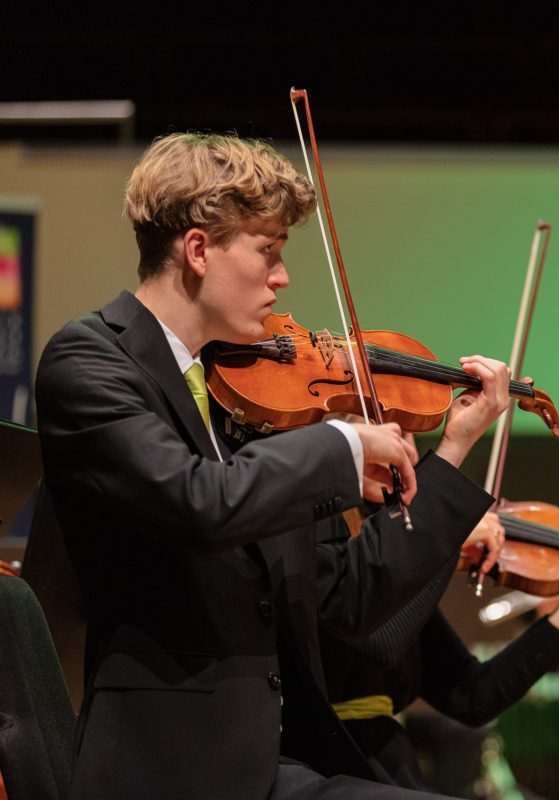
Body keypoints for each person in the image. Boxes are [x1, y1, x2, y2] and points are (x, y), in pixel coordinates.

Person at [35, 132, 513, 800]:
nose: (283, 279)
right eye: (268, 252)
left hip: (271, 767)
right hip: (165, 770)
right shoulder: (90, 361)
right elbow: (200, 502)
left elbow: (351, 601)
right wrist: (341, 446)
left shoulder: (248, 410)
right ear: (199, 249)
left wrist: (454, 448)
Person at [324, 510, 559, 790]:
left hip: (385, 760)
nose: (406, 453)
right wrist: (435, 549)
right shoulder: (321, 542)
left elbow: (472, 696)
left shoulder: (395, 543)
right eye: (400, 439)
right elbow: (375, 643)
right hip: (318, 756)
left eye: (410, 442)